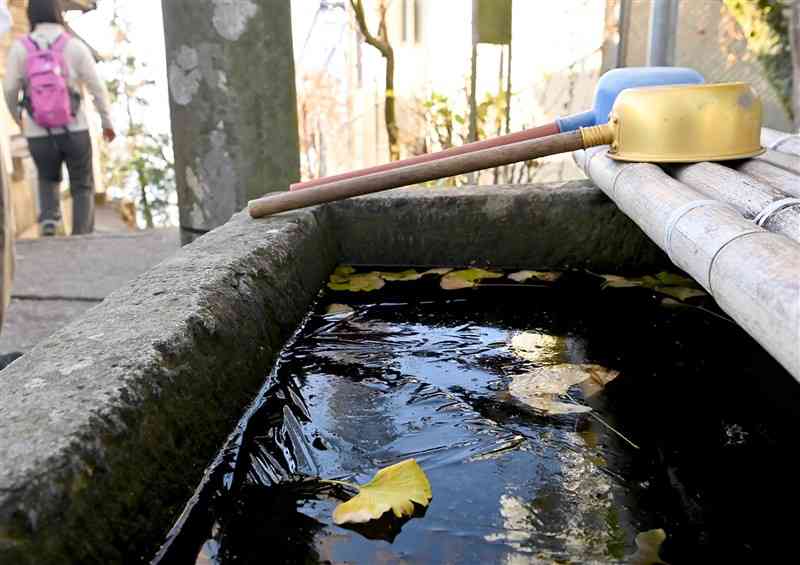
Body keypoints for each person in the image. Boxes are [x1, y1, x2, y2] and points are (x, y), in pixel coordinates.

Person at [2, 0, 115, 237]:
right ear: (58, 14)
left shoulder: (21, 48)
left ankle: (50, 220)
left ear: (31, 14)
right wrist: (107, 123)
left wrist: (19, 118)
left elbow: (10, 89)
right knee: (82, 184)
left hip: (37, 129)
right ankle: (82, 234)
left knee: (47, 177)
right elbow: (97, 88)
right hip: (75, 128)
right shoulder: (73, 46)